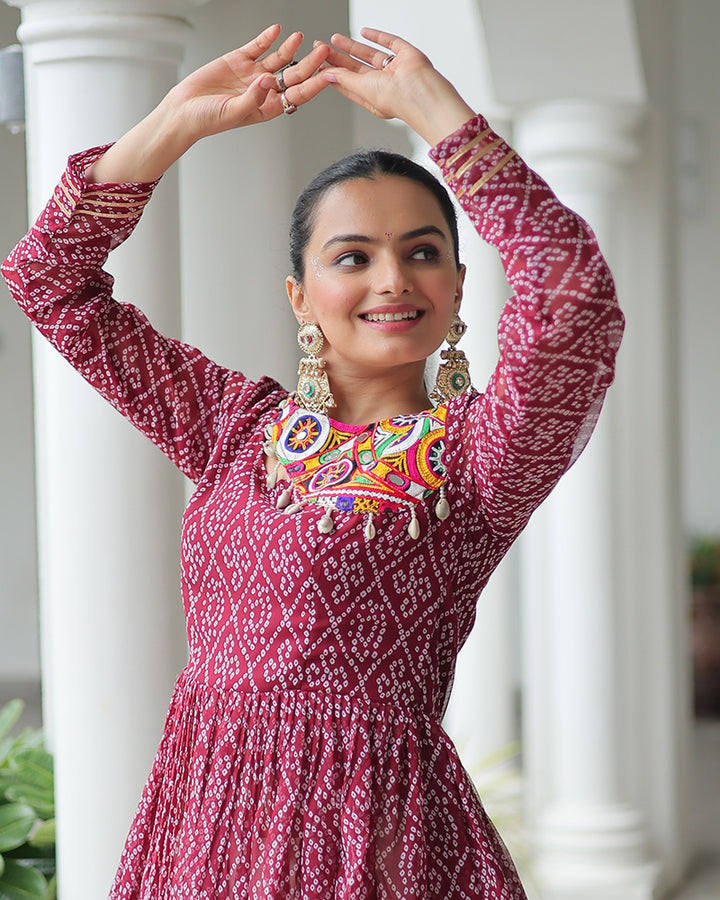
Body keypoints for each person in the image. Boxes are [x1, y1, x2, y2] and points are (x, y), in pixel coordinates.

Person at [2, 23, 624, 900]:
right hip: (201, 828)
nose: (392, 280)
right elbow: (47, 280)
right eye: (352, 258)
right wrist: (175, 122)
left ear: (455, 288)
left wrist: (444, 118)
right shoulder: (234, 427)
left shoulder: (479, 459)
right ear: (301, 295)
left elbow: (573, 302)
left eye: (422, 252)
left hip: (370, 848)